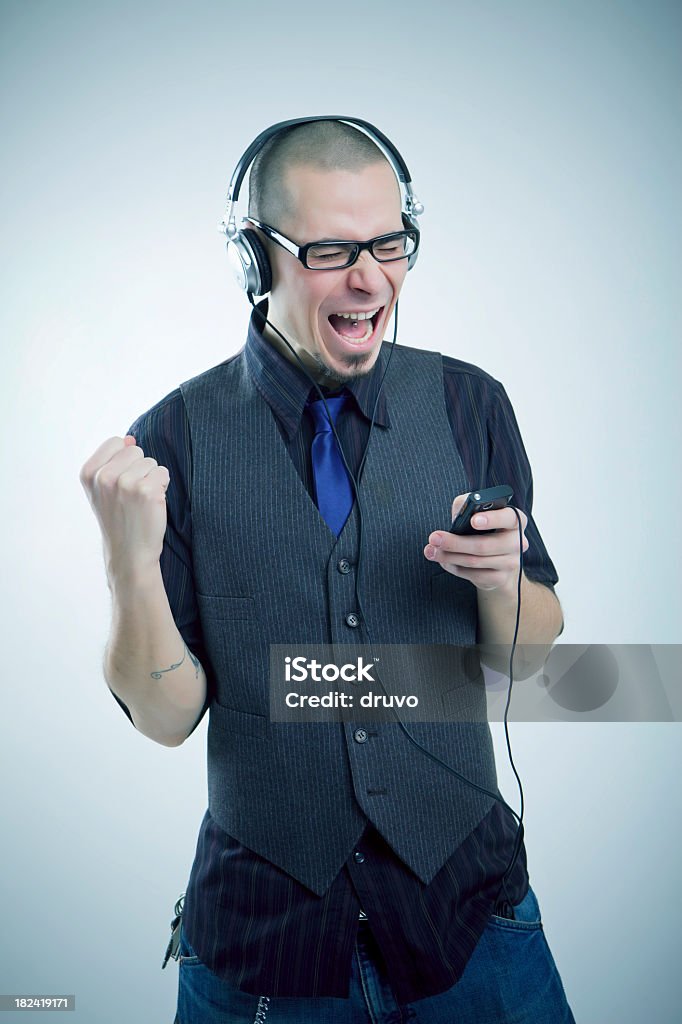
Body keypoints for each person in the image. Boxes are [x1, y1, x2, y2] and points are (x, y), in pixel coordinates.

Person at [79, 118, 576, 1024]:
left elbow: (527, 660)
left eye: (391, 243)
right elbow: (166, 716)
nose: (371, 278)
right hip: (266, 946)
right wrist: (127, 562)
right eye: (332, 250)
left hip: (471, 919)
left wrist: (504, 583)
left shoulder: (473, 403)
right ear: (253, 260)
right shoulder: (171, 438)